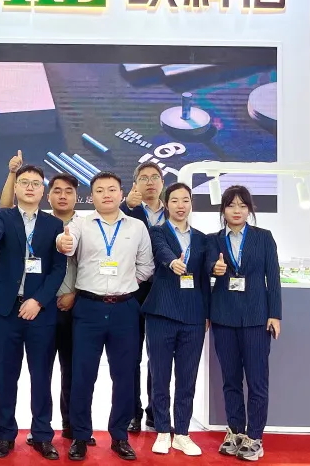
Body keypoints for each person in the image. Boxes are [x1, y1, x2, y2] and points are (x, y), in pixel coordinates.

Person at [57, 171, 154, 462]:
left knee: (124, 375)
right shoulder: (80, 224)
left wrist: (125, 285)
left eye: (112, 189)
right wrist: (63, 243)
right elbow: (67, 245)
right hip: (88, 307)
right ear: (92, 196)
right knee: (82, 374)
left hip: (125, 308)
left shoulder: (137, 226)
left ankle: (120, 436)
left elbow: (146, 267)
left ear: (121, 194)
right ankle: (79, 435)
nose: (107, 194)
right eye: (100, 190)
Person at [0, 165, 67, 460]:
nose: (30, 187)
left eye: (35, 183)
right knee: (6, 375)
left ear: (43, 191)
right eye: (24, 182)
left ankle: (42, 435)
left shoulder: (54, 225)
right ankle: (5, 435)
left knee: (41, 375)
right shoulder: (3, 217)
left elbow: (58, 269)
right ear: (16, 188)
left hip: (40, 312)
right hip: (7, 310)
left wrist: (38, 301)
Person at [206, 185, 282, 462]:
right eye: (231, 205)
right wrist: (213, 269)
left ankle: (255, 437)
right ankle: (235, 431)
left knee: (257, 381)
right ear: (223, 210)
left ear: (249, 209)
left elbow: (273, 278)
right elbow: (205, 271)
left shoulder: (263, 237)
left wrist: (275, 315)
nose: (236, 210)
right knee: (230, 380)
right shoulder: (213, 240)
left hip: (256, 318)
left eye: (242, 205)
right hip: (223, 317)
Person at [145, 183, 209, 456]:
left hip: (193, 315)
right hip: (161, 312)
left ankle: (182, 432)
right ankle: (162, 430)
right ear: (166, 204)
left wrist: (207, 313)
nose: (180, 205)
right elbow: (161, 251)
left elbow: (205, 277)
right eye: (174, 200)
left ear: (191, 204)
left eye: (185, 200)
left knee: (187, 377)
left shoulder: (202, 238)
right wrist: (173, 262)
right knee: (160, 375)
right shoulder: (157, 231)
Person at [121, 161, 166, 433]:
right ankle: (132, 412)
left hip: (164, 290)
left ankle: (155, 412)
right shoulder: (128, 210)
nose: (150, 182)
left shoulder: (174, 209)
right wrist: (127, 206)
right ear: (135, 184)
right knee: (131, 355)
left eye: (155, 177)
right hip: (134, 290)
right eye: (144, 178)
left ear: (162, 182)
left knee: (158, 356)